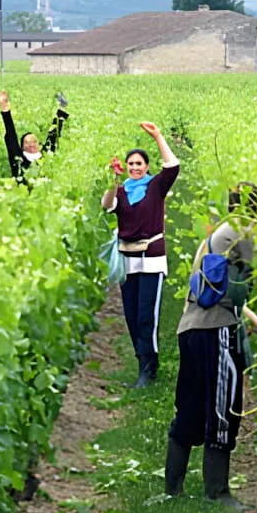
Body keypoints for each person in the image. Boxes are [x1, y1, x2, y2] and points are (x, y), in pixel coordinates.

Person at [164, 182, 257, 510]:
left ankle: (172, 490)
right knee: (223, 409)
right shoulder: (242, 234)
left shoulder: (219, 232)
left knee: (190, 406)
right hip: (216, 330)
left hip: (190, 328)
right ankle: (217, 493)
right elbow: (241, 291)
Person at [101, 123, 180, 388]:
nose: (135, 168)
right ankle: (142, 362)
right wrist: (113, 179)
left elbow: (173, 167)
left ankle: (149, 367)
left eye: (139, 164)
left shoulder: (156, 187)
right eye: (131, 164)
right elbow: (107, 205)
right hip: (127, 260)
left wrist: (158, 137)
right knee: (132, 315)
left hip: (152, 259)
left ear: (147, 166)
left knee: (147, 314)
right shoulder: (122, 191)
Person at [0, 89, 69, 184]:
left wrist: (62, 108)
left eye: (34, 141)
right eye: (27, 142)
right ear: (22, 147)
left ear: (39, 145)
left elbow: (53, 135)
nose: (31, 144)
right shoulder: (19, 159)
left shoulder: (44, 157)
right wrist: (4, 106)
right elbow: (11, 136)